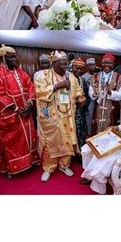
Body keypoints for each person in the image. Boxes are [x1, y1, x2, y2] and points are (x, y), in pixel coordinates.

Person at [35, 51, 85, 182]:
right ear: (53, 64)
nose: (64, 66)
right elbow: (39, 92)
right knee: (51, 142)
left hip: (68, 115)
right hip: (51, 117)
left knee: (67, 140)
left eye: (66, 63)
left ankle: (64, 165)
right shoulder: (43, 75)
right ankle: (49, 167)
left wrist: (81, 97)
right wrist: (57, 86)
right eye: (61, 64)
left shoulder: (70, 76)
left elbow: (78, 89)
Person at [0, 45, 39, 177]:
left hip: (25, 111)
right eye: (11, 57)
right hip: (8, 114)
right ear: (3, 58)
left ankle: (30, 161)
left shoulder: (20, 72)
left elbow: (30, 85)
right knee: (10, 141)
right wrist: (17, 108)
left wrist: (30, 103)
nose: (15, 59)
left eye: (15, 56)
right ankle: (10, 168)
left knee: (29, 138)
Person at [89, 53, 121, 134]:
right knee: (96, 130)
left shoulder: (119, 77)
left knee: (111, 132)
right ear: (101, 64)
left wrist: (110, 92)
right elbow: (91, 91)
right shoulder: (95, 77)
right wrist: (93, 94)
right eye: (105, 63)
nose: (107, 65)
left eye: (109, 63)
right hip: (98, 108)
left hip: (112, 110)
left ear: (113, 64)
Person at [71, 58, 90, 151]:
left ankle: (80, 151)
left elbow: (87, 95)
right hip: (69, 111)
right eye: (76, 68)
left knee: (81, 131)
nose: (78, 71)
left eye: (81, 69)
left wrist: (85, 102)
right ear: (72, 67)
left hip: (81, 112)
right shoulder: (67, 78)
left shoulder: (83, 80)